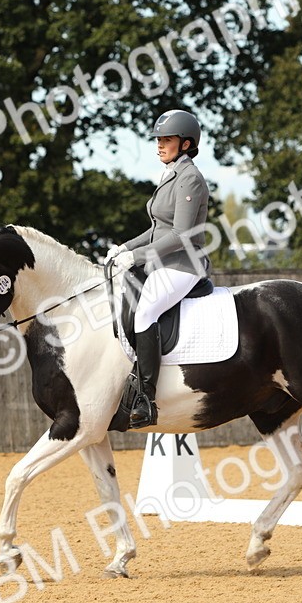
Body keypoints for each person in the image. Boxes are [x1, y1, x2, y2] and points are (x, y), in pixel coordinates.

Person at [106, 109, 211, 428]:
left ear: (186, 143)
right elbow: (156, 229)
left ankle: (145, 397)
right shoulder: (171, 175)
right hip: (162, 261)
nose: (160, 145)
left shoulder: (190, 177)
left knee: (145, 311)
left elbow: (180, 235)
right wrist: (126, 248)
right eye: (158, 139)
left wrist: (138, 257)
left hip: (184, 264)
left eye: (166, 139)